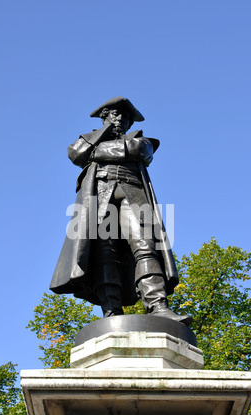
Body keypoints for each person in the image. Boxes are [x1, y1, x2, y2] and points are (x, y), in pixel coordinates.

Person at [50, 97, 192, 326]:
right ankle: (111, 310)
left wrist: (97, 151)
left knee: (145, 245)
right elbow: (77, 154)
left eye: (126, 117)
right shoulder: (88, 138)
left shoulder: (140, 139)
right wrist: (102, 134)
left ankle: (158, 307)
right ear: (104, 116)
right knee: (105, 253)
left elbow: (139, 150)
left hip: (133, 193)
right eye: (116, 115)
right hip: (99, 195)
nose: (122, 120)